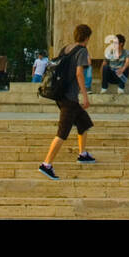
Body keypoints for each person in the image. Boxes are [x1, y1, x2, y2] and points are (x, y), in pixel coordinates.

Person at [39, 24, 96, 180]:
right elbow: (79, 74)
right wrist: (85, 96)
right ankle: (46, 164)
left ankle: (83, 154)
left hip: (60, 95)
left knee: (84, 122)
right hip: (69, 98)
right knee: (62, 133)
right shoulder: (82, 51)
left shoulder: (66, 48)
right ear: (87, 37)